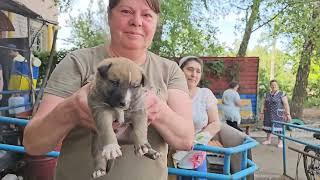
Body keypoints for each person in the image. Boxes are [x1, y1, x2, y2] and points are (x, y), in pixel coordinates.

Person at [22, 0, 194, 180]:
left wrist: (156, 108)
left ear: (156, 22)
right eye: (126, 11)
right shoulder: (78, 62)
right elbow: (33, 144)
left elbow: (186, 140)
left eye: (146, 15)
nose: (137, 21)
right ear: (109, 16)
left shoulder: (170, 70)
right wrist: (72, 109)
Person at [174, 56, 221, 179]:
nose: (194, 74)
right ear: (180, 71)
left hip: (197, 154)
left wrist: (193, 142)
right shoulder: (171, 93)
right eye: (190, 69)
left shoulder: (205, 94)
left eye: (198, 71)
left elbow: (216, 123)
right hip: (171, 153)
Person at [260, 80, 291, 148]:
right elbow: (263, 104)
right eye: (272, 85)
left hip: (278, 114)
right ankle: (268, 140)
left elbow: (286, 104)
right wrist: (261, 112)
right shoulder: (267, 94)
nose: (273, 86)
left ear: (277, 85)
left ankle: (280, 142)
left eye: (275, 84)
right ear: (270, 86)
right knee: (268, 126)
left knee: (279, 127)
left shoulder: (282, 94)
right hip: (268, 113)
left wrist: (288, 114)